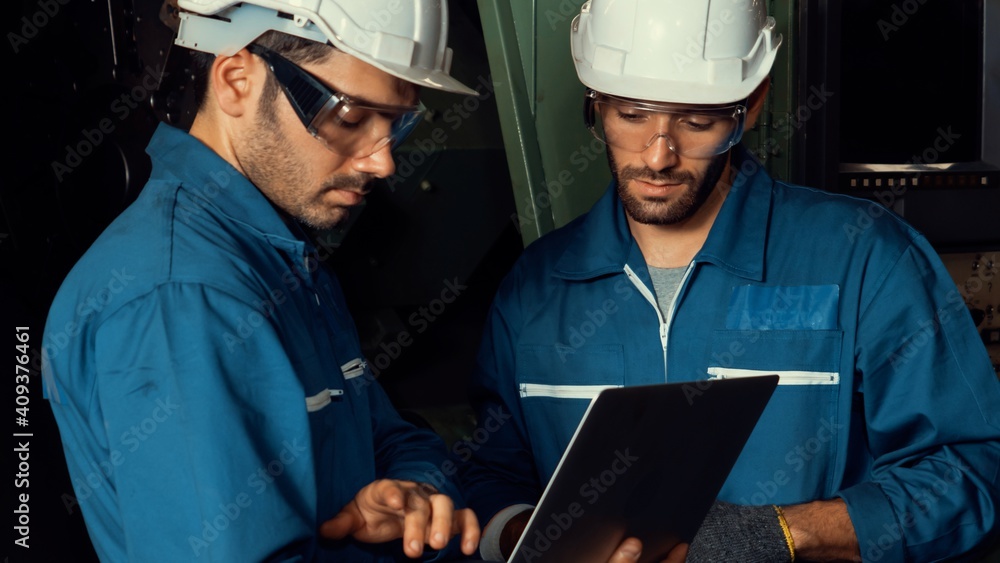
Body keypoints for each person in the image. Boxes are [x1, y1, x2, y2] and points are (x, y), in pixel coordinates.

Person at [459, 0, 1000, 561]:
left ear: (753, 105)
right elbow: (489, 477)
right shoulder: (534, 287)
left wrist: (787, 533)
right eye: (631, 115)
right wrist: (540, 539)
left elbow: (969, 470)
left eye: (698, 121)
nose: (659, 155)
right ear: (595, 104)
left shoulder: (864, 256)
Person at [41, 0, 483, 560]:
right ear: (236, 80)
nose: (383, 161)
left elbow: (391, 439)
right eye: (349, 116)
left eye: (396, 123)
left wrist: (414, 494)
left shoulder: (280, 255)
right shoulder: (183, 298)